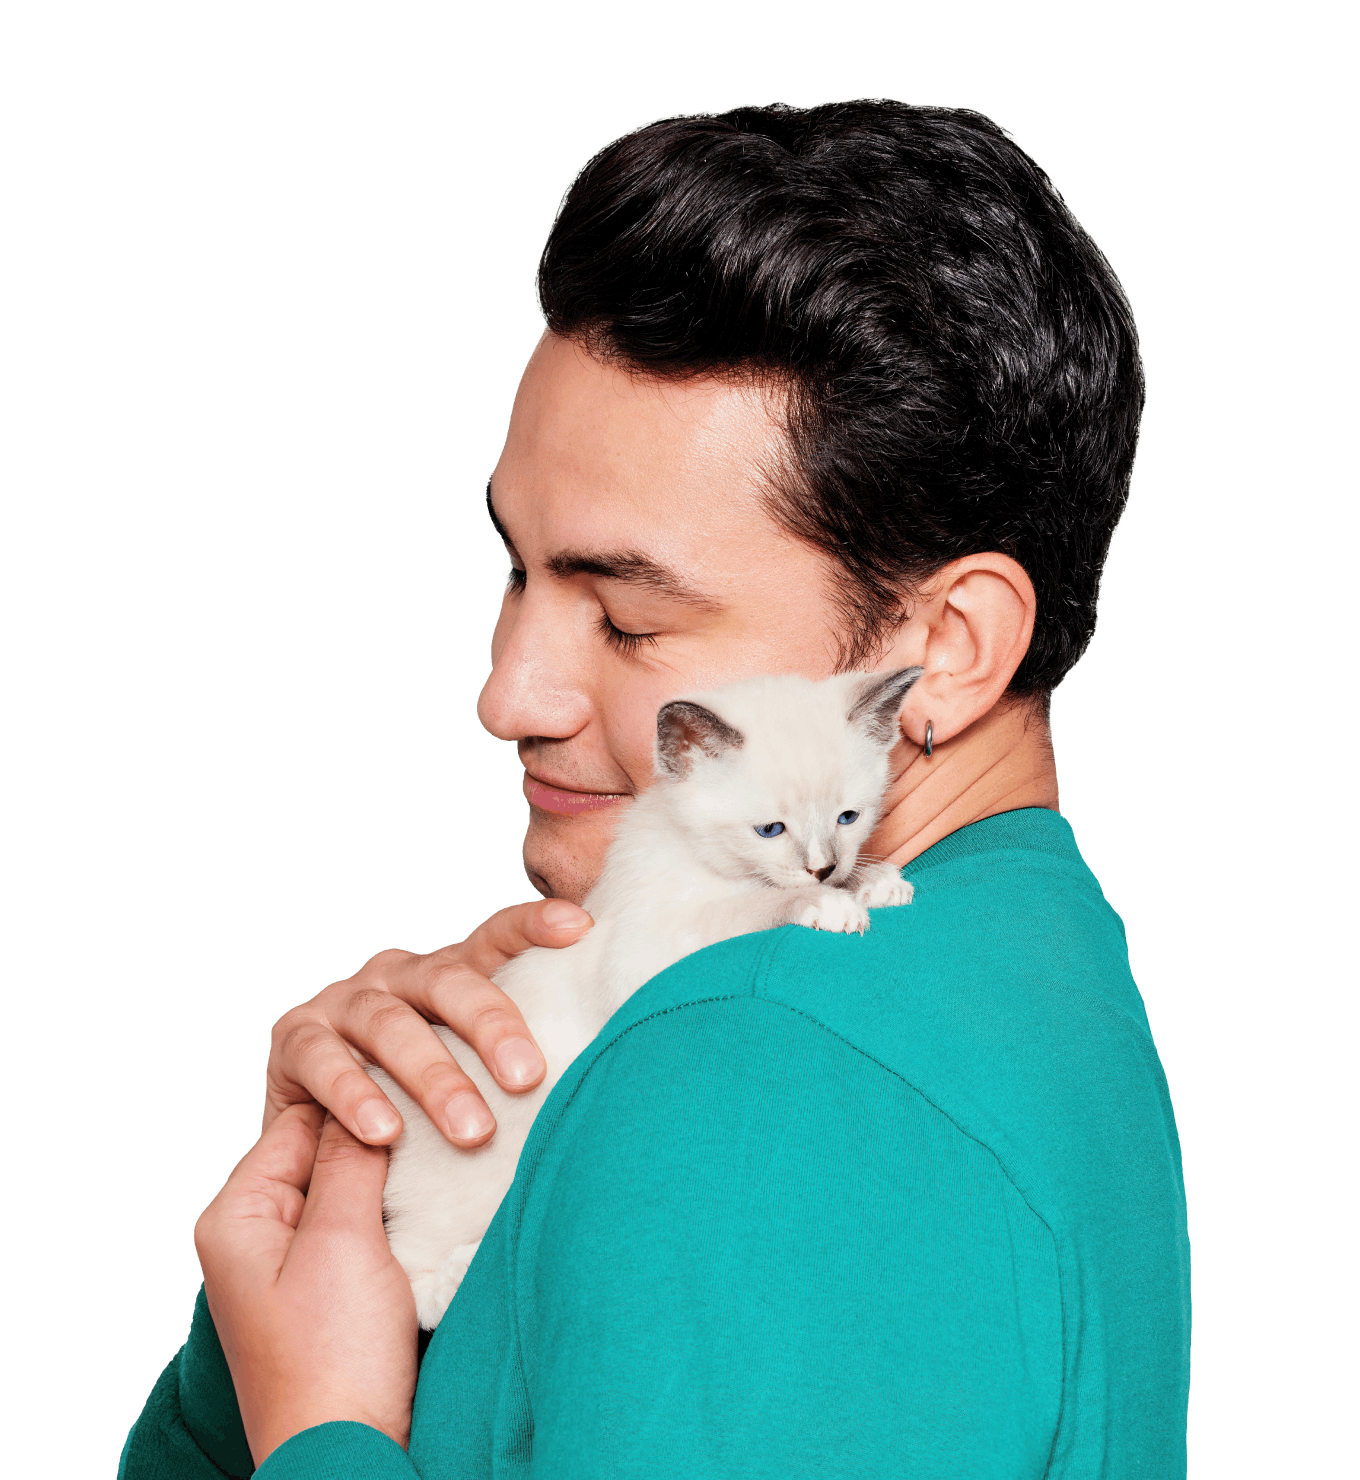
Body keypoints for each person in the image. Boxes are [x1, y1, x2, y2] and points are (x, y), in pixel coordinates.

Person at [121, 100, 1190, 1478]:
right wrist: (340, 1227)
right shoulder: (1031, 964)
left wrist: (324, 1435)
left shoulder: (769, 1066)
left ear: (947, 651)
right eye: (520, 570)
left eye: (627, 621)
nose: (510, 695)